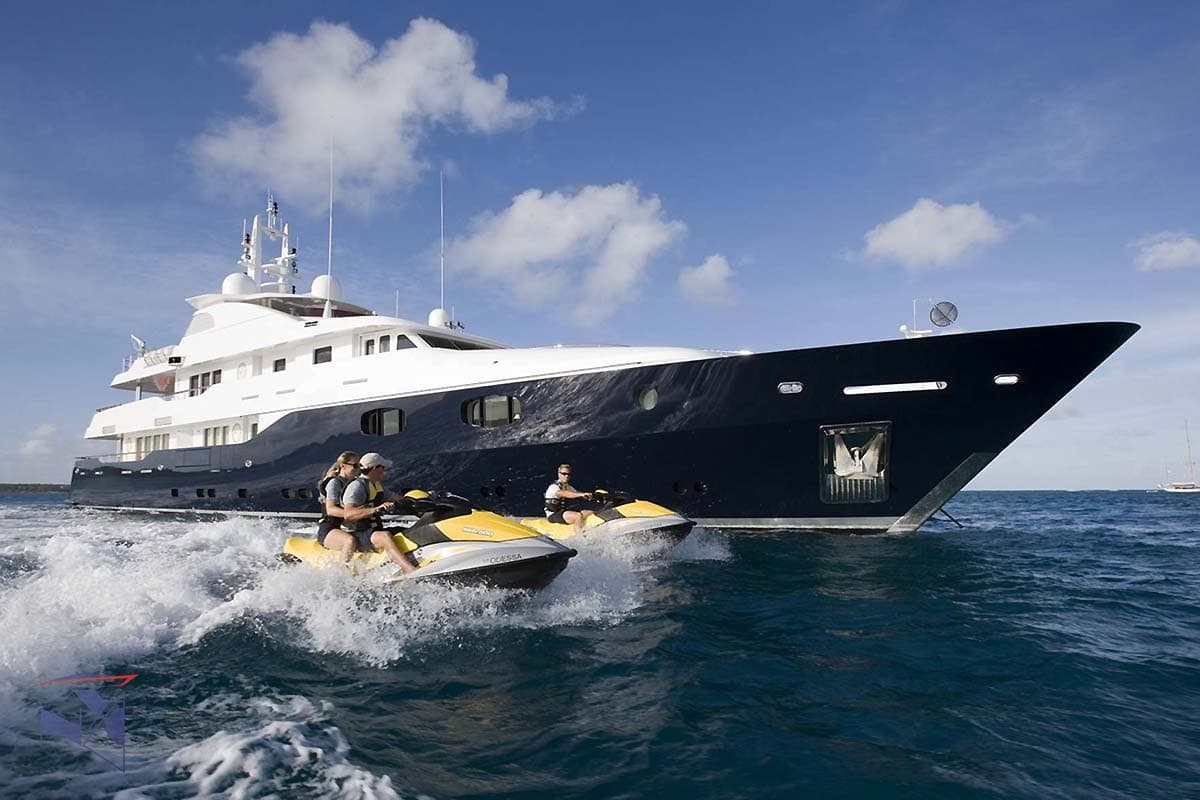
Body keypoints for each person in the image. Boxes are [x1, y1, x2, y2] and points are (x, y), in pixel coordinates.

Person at [340, 452, 418, 573]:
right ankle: (410, 570)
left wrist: (423, 498)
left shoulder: (376, 486)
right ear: (375, 468)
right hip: (357, 533)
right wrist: (376, 509)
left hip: (372, 531)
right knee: (385, 536)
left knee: (410, 530)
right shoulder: (357, 486)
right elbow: (348, 514)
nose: (384, 471)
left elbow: (398, 498)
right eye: (383, 467)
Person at [545, 463, 593, 534]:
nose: (566, 476)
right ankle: (580, 537)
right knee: (577, 516)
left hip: (564, 513)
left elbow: (578, 493)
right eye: (564, 474)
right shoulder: (553, 487)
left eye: (568, 474)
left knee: (589, 512)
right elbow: (565, 494)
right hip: (553, 515)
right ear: (559, 474)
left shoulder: (567, 486)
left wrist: (591, 496)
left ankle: (589, 530)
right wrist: (581, 494)